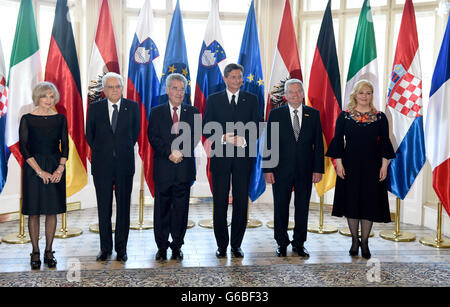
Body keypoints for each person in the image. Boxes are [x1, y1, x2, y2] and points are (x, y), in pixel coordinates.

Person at [326, 80, 395, 259]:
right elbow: (338, 140)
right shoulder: (345, 116)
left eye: (369, 93)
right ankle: (354, 240)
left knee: (368, 203)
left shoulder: (380, 117)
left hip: (373, 167)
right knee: (352, 202)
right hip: (349, 166)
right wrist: (339, 164)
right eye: (362, 93)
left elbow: (385, 144)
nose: (365, 96)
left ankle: (364, 242)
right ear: (355, 95)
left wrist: (384, 166)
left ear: (372, 95)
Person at [202, 63, 262, 258]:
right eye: (234, 77)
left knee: (240, 204)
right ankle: (221, 244)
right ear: (226, 79)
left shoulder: (252, 99)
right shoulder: (213, 99)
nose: (237, 80)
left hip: (243, 159)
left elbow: (258, 126)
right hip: (220, 159)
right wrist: (222, 137)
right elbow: (206, 127)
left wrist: (244, 139)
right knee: (219, 202)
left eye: (240, 77)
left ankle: (236, 245)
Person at [263, 79, 324, 258]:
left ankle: (299, 243)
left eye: (298, 91)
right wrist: (268, 168)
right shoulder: (276, 114)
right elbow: (269, 143)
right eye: (291, 91)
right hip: (280, 170)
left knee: (302, 207)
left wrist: (318, 169)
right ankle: (281, 243)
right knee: (280, 206)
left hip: (306, 170)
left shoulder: (313, 114)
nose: (295, 94)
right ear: (285, 95)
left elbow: (319, 145)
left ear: (303, 94)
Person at [86, 72, 140, 262]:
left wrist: (119, 149)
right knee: (104, 208)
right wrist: (106, 151)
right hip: (102, 166)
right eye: (110, 87)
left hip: (125, 165)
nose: (114, 90)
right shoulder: (94, 108)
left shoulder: (132, 107)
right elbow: (89, 136)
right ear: (104, 89)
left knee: (124, 208)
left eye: (117, 86)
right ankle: (105, 248)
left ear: (122, 88)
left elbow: (134, 134)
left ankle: (121, 248)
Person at [148, 73, 200, 261]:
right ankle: (161, 247)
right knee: (161, 209)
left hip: (184, 169)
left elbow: (194, 136)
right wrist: (169, 153)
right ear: (168, 90)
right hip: (164, 168)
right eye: (175, 88)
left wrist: (181, 152)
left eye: (182, 89)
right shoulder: (156, 111)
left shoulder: (193, 112)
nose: (179, 92)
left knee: (180, 210)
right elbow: (153, 137)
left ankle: (177, 246)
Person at [19, 82, 68, 269]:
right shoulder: (27, 119)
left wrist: (59, 169)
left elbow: (65, 146)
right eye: (45, 96)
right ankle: (35, 251)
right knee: (33, 211)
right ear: (37, 97)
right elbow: (24, 148)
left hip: (55, 166)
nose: (49, 100)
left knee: (52, 210)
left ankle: (49, 250)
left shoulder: (60, 119)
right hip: (33, 168)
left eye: (52, 96)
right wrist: (39, 171)